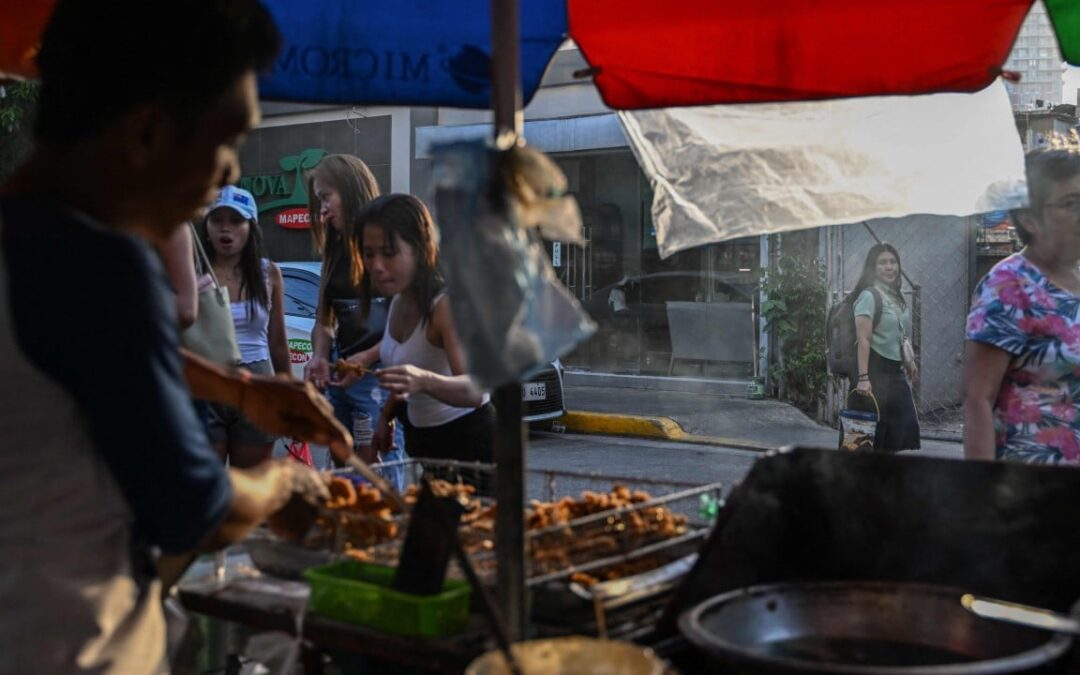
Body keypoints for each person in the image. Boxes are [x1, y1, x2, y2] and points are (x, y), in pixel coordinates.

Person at [0, 3, 343, 673]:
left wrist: (239, 389)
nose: (230, 175)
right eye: (226, 141)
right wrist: (282, 486)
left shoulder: (27, 245)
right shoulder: (101, 266)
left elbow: (77, 361)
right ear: (149, 133)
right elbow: (198, 510)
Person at [339, 194, 494, 489]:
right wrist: (385, 417)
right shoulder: (399, 300)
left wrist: (423, 380)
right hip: (427, 448)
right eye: (369, 254)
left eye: (389, 252)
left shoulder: (446, 307)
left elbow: (475, 391)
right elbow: (406, 366)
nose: (377, 265)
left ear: (421, 249)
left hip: (472, 451)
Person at [964, 148, 1080, 465]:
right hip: (1029, 491)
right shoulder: (1009, 285)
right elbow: (978, 401)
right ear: (1030, 218)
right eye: (1071, 204)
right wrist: (983, 500)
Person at [303, 154, 405, 473]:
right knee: (344, 473)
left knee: (378, 472)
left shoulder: (385, 245)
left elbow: (412, 323)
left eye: (326, 197)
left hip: (379, 376)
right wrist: (319, 356)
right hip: (342, 374)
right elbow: (324, 320)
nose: (321, 208)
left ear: (349, 191)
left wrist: (366, 358)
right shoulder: (334, 252)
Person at [202, 185, 290, 467]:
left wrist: (288, 394)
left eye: (236, 221)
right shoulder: (192, 272)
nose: (225, 229)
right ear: (206, 226)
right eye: (217, 220)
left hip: (257, 385)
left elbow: (278, 342)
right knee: (207, 491)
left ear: (251, 226)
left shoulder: (269, 273)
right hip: (206, 383)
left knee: (251, 490)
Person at [852, 243, 921, 451]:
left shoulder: (895, 296)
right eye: (882, 262)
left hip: (894, 371)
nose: (889, 267)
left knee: (901, 427)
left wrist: (908, 360)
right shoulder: (868, 296)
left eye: (893, 262)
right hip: (874, 370)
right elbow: (863, 340)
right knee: (871, 435)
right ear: (873, 267)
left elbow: (900, 333)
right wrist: (863, 379)